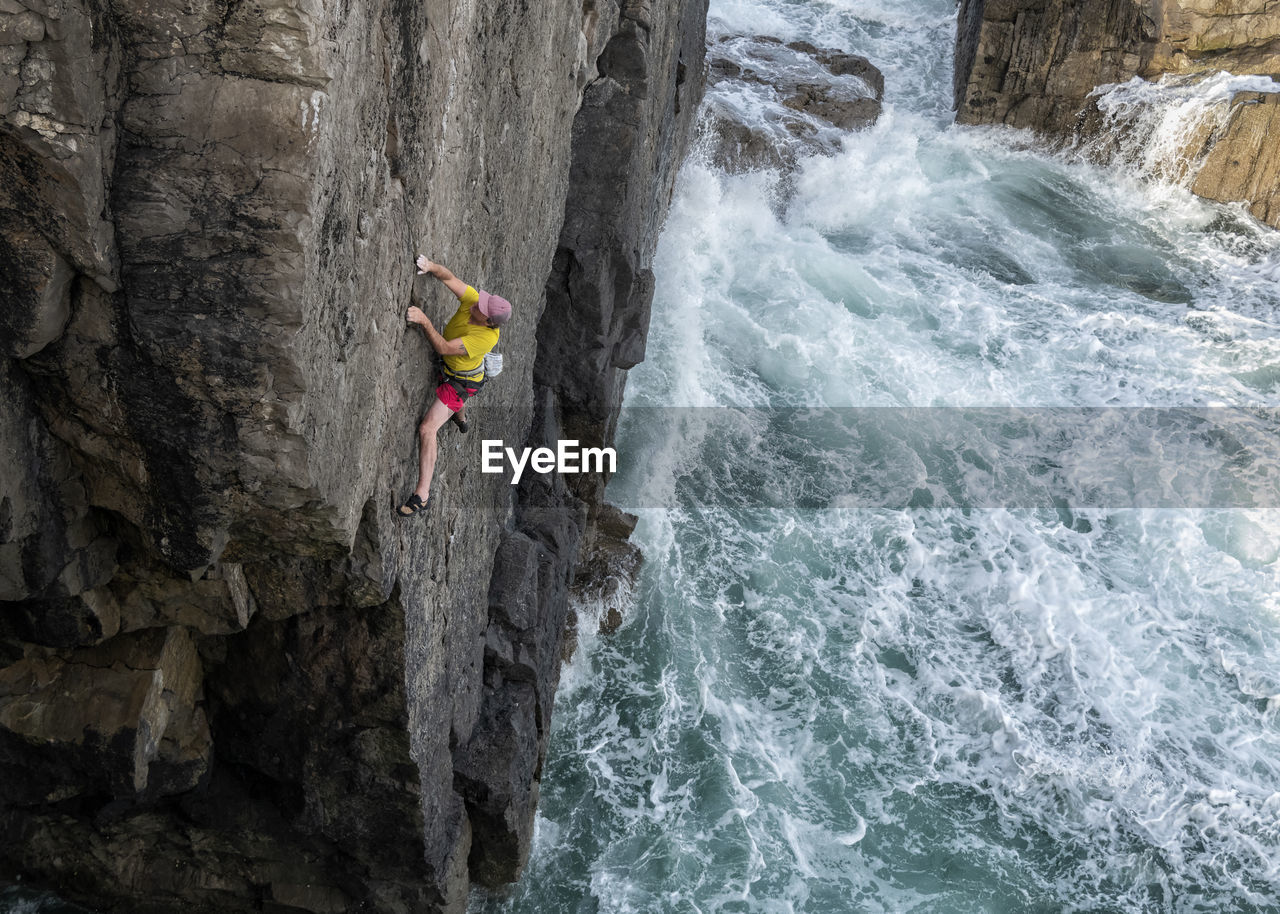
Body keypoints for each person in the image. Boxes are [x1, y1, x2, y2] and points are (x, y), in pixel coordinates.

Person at [398, 254, 512, 516]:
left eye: (481, 309)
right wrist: (431, 267)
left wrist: (424, 320)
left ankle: (422, 495)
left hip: (460, 382)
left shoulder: (484, 338)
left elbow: (443, 347)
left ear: (489, 322)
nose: (475, 304)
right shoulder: (475, 302)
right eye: (481, 302)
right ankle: (459, 416)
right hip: (457, 372)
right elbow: (449, 277)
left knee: (428, 429)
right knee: (452, 400)